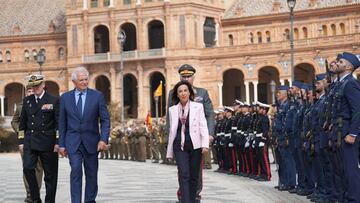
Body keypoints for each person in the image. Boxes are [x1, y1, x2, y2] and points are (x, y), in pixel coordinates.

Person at [59, 66, 110, 203]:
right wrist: (61, 144)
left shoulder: (97, 96)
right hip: (73, 143)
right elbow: (62, 123)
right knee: (75, 171)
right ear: (74, 82)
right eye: (81, 80)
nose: (84, 82)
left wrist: (103, 139)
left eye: (86, 79)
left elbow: (105, 120)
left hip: (92, 143)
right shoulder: (65, 98)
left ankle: (89, 200)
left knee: (91, 174)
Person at [166, 64, 215, 202]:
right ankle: (184, 195)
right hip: (179, 139)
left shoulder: (202, 93)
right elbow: (170, 117)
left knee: (196, 172)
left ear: (193, 77)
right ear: (180, 77)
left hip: (198, 138)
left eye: (189, 76)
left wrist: (209, 134)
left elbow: (209, 114)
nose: (186, 78)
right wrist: (168, 138)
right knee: (183, 171)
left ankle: (195, 195)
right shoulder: (173, 93)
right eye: (183, 76)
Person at [18, 74, 59, 203]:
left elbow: (58, 123)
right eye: (33, 86)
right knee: (28, 168)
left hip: (48, 142)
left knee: (50, 175)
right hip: (31, 141)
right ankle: (35, 198)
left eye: (37, 85)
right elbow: (22, 124)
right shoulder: (27, 101)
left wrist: (58, 142)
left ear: (43, 85)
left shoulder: (53, 100)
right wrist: (21, 141)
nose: (35, 88)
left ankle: (49, 200)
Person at [331, 52, 360, 202]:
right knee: (340, 169)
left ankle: (354, 199)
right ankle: (343, 198)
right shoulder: (341, 83)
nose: (337, 63)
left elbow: (358, 110)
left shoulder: (350, 83)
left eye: (340, 61)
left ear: (348, 66)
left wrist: (353, 133)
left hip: (347, 131)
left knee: (350, 170)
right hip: (339, 131)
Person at [12, 84, 43, 203]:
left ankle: (36, 191)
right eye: (28, 91)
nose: (30, 93)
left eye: (32, 90)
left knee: (38, 169)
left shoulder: (42, 103)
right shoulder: (20, 106)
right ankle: (30, 194)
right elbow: (14, 122)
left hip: (40, 141)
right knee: (27, 168)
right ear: (25, 93)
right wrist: (20, 133)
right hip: (25, 142)